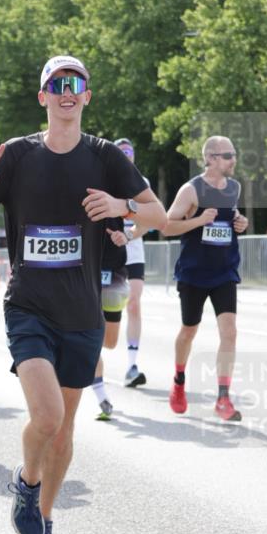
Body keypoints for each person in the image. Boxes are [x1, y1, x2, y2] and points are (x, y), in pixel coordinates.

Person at [0, 54, 167, 534]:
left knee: (65, 431)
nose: (67, 90)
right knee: (45, 417)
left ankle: (45, 525)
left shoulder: (106, 156)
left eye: (77, 83)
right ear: (43, 95)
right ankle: (26, 484)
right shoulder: (18, 156)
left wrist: (121, 207)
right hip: (28, 306)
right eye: (57, 83)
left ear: (86, 96)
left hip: (83, 313)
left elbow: (157, 213)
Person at [163, 135, 249, 422]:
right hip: (193, 273)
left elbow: (230, 218)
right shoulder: (191, 190)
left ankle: (223, 398)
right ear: (211, 158)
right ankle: (178, 381)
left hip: (224, 271)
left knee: (230, 331)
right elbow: (167, 226)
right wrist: (199, 220)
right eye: (228, 155)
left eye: (233, 154)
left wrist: (241, 223)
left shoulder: (233, 188)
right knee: (189, 330)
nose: (233, 159)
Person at [114, 138, 151, 388]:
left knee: (134, 304)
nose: (127, 157)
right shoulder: (105, 181)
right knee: (104, 308)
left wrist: (129, 235)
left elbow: (150, 220)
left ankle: (131, 364)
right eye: (122, 153)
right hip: (109, 252)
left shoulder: (143, 184)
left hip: (134, 251)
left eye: (130, 152)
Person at [91, 220, 130, 420]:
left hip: (114, 276)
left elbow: (156, 218)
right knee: (92, 340)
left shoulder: (123, 193)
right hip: (83, 275)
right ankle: (101, 397)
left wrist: (128, 235)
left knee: (109, 342)